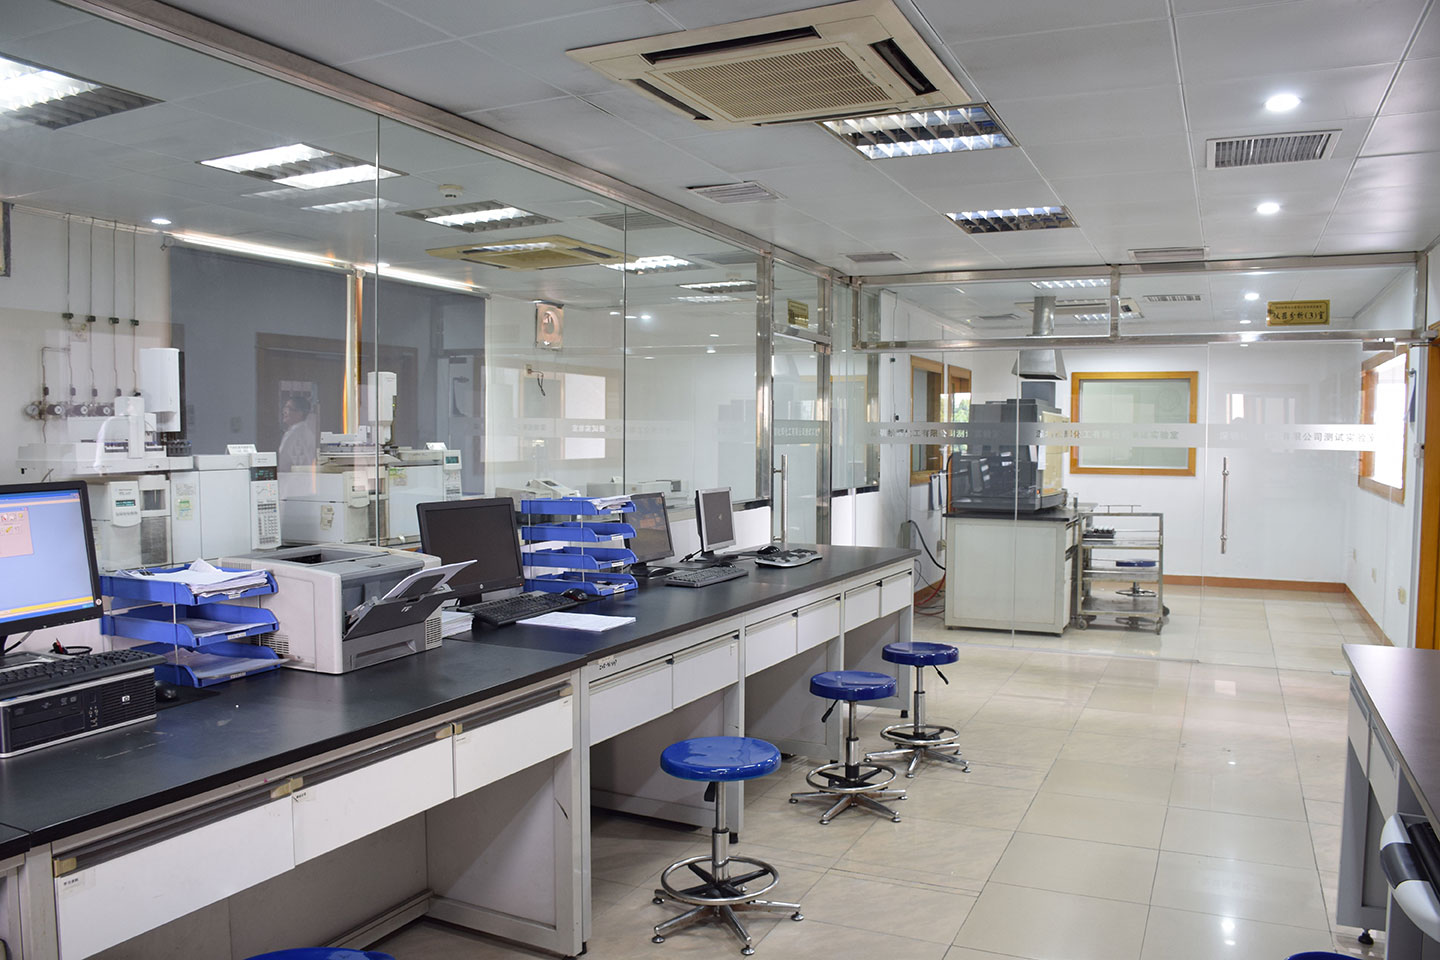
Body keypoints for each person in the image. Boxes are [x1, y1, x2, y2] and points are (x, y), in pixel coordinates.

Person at [277, 394, 317, 473]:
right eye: (285, 408)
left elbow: (286, 463)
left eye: (289, 409)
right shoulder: (301, 432)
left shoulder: (297, 434)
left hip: (294, 477)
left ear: (300, 413)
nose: (284, 412)